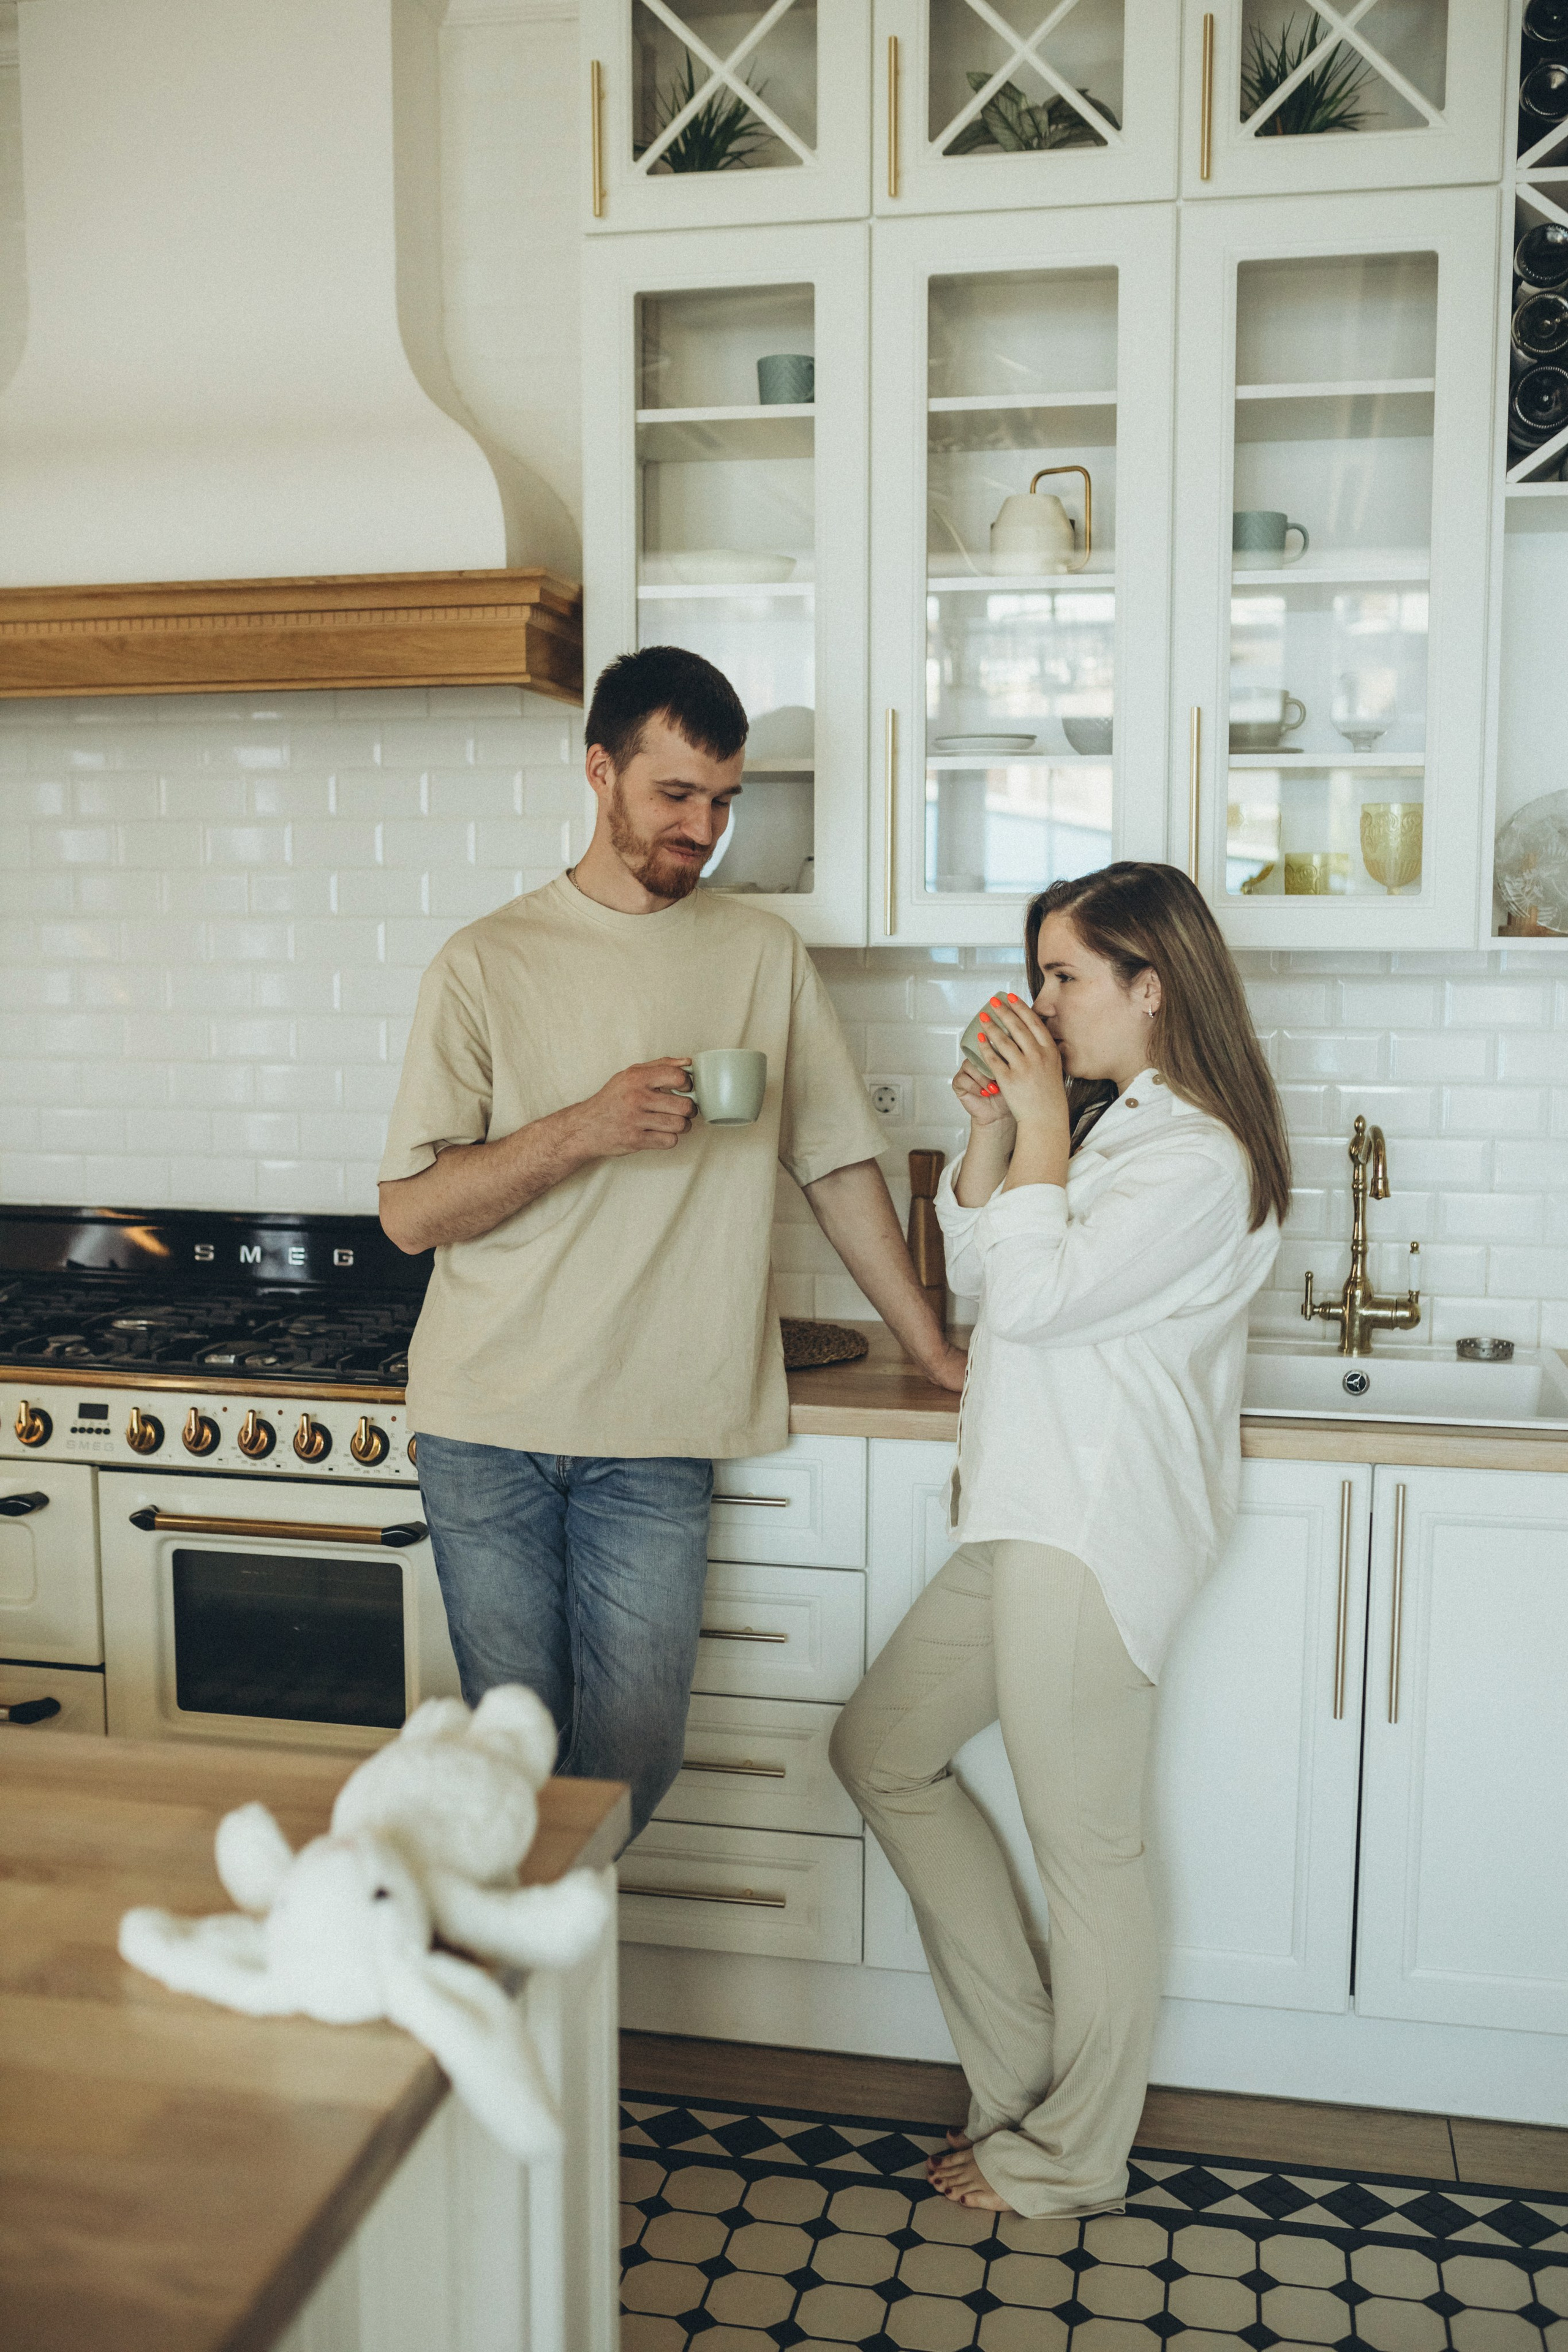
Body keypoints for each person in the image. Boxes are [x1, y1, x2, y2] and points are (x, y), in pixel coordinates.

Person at [379, 645, 965, 1842]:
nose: (704, 828)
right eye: (675, 794)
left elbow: (837, 1165)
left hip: (656, 1428)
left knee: (635, 1761)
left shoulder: (759, 958)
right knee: (512, 1766)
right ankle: (533, 2016)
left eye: (725, 800)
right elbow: (409, 1213)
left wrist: (933, 1348)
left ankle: (530, 1993)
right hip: (486, 1421)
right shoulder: (486, 962)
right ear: (599, 773)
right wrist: (582, 1130)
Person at [830, 862, 1289, 2218]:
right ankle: (1023, 2074)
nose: (1040, 1004)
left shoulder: (1196, 1156)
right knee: (879, 1751)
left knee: (1088, 1853)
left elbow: (1028, 1302)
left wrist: (1036, 1121)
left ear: (1151, 988)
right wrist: (994, 1125)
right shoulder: (1107, 1129)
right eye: (1036, 976)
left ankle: (1074, 2151)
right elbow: (982, 1274)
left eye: (1064, 978)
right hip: (1021, 1512)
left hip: (1090, 1530)